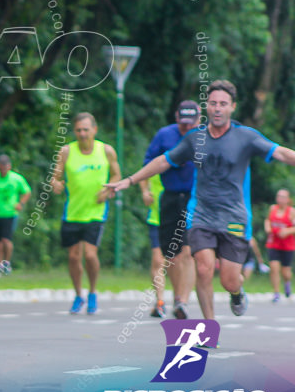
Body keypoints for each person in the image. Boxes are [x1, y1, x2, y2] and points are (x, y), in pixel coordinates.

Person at [107, 79, 295, 319]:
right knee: (204, 269)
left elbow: (279, 152)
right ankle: (209, 326)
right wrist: (130, 180)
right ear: (207, 106)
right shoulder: (195, 139)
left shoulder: (246, 137)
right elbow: (164, 160)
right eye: (213, 103)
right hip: (201, 215)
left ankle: (236, 292)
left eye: (223, 104)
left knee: (228, 279)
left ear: (232, 107)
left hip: (234, 215)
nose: (218, 108)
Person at [51, 112, 121, 315]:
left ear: (94, 130)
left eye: (86, 129)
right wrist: (55, 184)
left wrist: (108, 191)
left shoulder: (106, 150)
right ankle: (78, 295)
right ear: (75, 131)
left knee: (90, 255)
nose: (82, 134)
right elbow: (55, 176)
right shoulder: (66, 151)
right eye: (79, 130)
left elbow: (117, 175)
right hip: (72, 212)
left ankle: (92, 292)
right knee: (73, 257)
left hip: (96, 212)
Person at [140, 100, 200, 319]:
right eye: (183, 123)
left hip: (195, 198)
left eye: (190, 123)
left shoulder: (205, 136)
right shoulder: (164, 135)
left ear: (198, 119)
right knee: (171, 256)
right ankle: (176, 298)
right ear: (176, 118)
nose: (186, 127)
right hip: (170, 197)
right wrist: (144, 189)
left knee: (188, 253)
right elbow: (148, 163)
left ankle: (183, 301)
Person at [265, 188, 295, 302]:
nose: (280, 199)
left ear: (288, 199)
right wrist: (267, 227)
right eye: (279, 196)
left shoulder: (291, 212)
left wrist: (287, 231)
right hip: (273, 243)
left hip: (287, 245)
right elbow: (267, 220)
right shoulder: (272, 208)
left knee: (286, 272)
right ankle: (276, 292)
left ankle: (287, 283)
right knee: (274, 268)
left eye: (283, 197)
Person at [145, 174, 167, 317]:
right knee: (158, 261)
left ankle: (180, 302)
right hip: (156, 219)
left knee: (178, 263)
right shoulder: (155, 155)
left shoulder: (184, 156)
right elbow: (143, 175)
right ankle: (160, 302)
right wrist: (145, 191)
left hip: (180, 218)